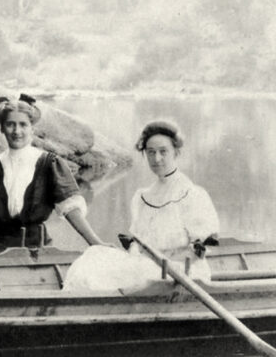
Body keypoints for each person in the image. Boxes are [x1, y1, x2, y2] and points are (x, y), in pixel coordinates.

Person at [64, 120, 219, 292]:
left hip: (183, 274)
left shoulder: (193, 194)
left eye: (163, 152)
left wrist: (163, 259)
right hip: (148, 267)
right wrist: (135, 253)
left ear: (176, 152)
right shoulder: (142, 197)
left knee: (104, 275)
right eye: (150, 152)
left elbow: (200, 251)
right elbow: (138, 242)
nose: (156, 159)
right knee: (94, 256)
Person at [0, 93, 107, 257]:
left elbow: (70, 210)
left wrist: (97, 243)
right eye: (10, 124)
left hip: (38, 251)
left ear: (32, 128)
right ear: (2, 128)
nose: (16, 131)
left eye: (23, 125)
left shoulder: (49, 164)